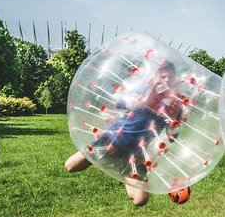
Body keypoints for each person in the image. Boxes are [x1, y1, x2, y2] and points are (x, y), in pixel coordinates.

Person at [65, 61, 191, 206]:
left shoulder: (176, 103)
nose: (167, 80)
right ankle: (110, 161)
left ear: (174, 78)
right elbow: (118, 103)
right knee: (70, 166)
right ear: (156, 77)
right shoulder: (146, 89)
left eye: (170, 77)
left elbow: (173, 136)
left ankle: (121, 169)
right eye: (163, 76)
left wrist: (178, 122)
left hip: (136, 152)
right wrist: (140, 100)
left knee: (140, 200)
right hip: (113, 139)